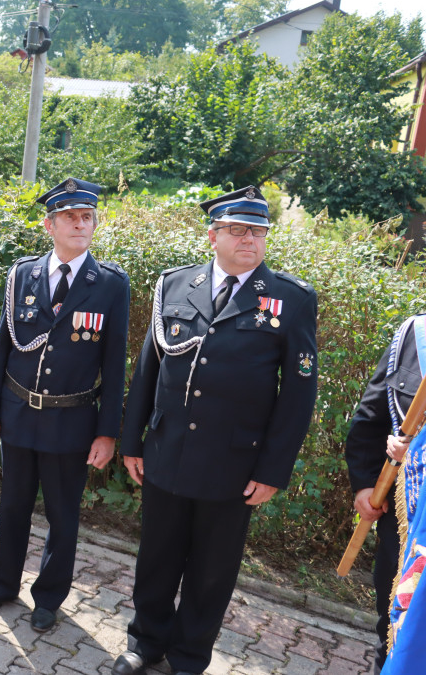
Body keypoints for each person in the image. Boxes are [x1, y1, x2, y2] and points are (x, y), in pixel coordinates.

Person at [114, 186, 318, 675]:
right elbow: (148, 369)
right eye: (237, 229)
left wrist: (273, 469)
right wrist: (133, 441)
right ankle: (145, 643)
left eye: (259, 230)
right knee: (157, 557)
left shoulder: (290, 299)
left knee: (212, 570)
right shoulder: (175, 284)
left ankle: (188, 657)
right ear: (213, 236)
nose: (250, 238)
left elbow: (297, 395)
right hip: (167, 450)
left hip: (234, 461)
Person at [0, 178, 130, 632]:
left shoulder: (110, 283)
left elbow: (114, 361)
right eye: (70, 218)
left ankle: (48, 598)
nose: (80, 225)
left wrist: (107, 431)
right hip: (19, 413)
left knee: (62, 516)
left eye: (87, 218)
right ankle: (2, 586)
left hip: (71, 420)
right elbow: (3, 348)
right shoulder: (22, 273)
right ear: (49, 224)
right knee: (13, 507)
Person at [345, 315, 424, 675]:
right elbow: (373, 415)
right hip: (407, 521)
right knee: (394, 627)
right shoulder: (415, 334)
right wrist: (364, 483)